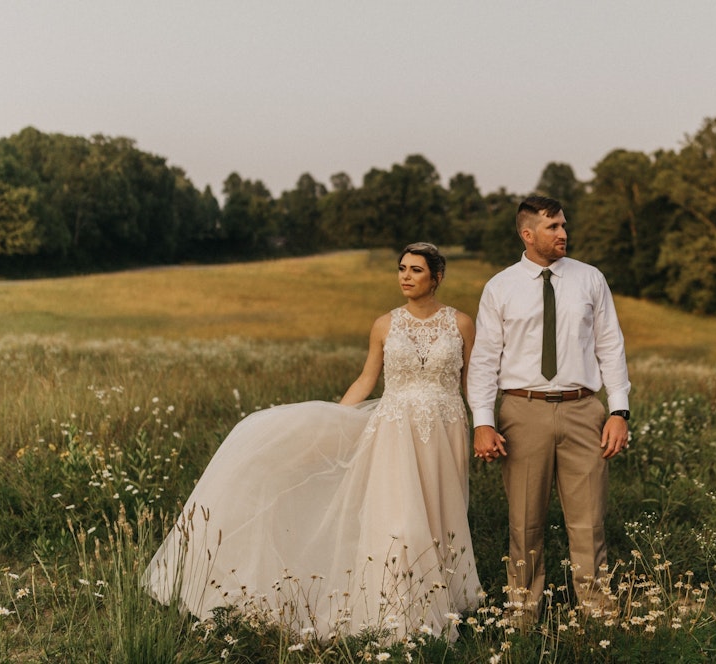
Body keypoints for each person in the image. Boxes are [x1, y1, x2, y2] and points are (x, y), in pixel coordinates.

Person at [144, 242, 481, 642]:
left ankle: (447, 598)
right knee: (402, 519)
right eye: (401, 269)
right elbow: (366, 380)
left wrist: (484, 426)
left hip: (446, 429)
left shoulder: (461, 323)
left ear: (437, 277)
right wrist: (333, 421)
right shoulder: (385, 325)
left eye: (416, 270)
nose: (405, 277)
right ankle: (402, 612)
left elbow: (471, 383)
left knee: (444, 511)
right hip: (395, 432)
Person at [466, 195, 630, 618]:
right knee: (524, 523)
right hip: (523, 411)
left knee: (589, 520)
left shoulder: (590, 279)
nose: (563, 233)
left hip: (583, 411)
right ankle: (522, 613)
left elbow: (610, 346)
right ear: (528, 234)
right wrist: (483, 421)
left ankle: (598, 613)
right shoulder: (500, 287)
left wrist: (619, 411)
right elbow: (485, 358)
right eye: (554, 227)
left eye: (563, 225)